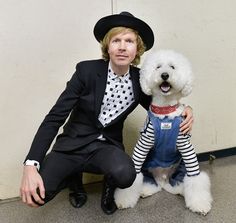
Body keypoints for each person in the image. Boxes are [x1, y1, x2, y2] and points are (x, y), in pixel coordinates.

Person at [20, 11, 193, 215]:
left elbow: (160, 105)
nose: (122, 46)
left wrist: (186, 109)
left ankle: (108, 186)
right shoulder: (86, 71)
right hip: (72, 145)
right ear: (107, 47)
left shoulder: (141, 80)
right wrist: (31, 164)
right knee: (38, 194)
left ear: (137, 48)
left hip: (106, 147)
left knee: (126, 174)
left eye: (128, 41)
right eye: (116, 40)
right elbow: (54, 117)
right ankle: (74, 181)